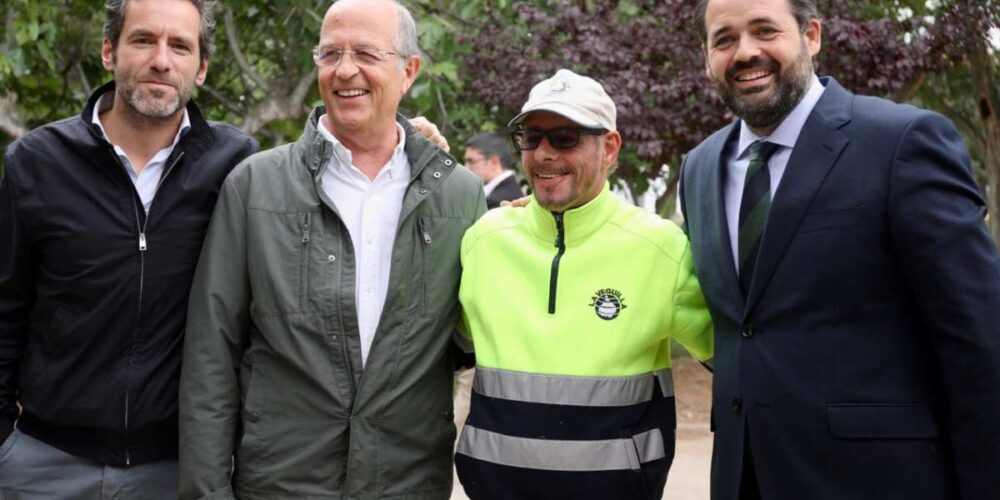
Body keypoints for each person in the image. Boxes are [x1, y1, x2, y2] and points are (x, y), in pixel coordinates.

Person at [680, 0, 1000, 499]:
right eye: (724, 39)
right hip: (743, 479)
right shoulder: (699, 168)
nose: (745, 52)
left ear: (811, 36)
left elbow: (980, 341)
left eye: (765, 30)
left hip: (879, 481)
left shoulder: (901, 142)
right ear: (706, 55)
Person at [177, 0, 486, 498]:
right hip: (281, 484)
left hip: (406, 484)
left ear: (408, 71)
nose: (345, 70)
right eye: (330, 54)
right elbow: (210, 357)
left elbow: (476, 341)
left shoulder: (460, 196)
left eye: (365, 52)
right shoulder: (255, 187)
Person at [0, 0, 258, 498]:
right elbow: (5, 309)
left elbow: (324, 177)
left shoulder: (238, 167)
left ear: (201, 68)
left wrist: (405, 143)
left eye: (180, 46)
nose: (161, 60)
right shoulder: (37, 163)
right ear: (108, 52)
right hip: (40, 466)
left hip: (173, 471)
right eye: (143, 40)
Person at [454, 69, 713, 500]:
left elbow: (739, 358)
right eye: (531, 138)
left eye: (564, 138)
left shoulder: (660, 246)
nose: (543, 154)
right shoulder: (484, 240)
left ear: (609, 147)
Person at [464, 132, 524, 209]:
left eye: (471, 161)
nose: (466, 167)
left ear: (494, 161)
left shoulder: (496, 202)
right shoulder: (511, 192)